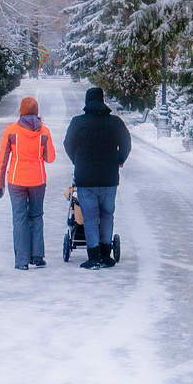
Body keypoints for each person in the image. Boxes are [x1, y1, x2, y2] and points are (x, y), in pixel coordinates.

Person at [63, 84, 131, 270]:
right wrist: (120, 159)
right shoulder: (115, 122)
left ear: (87, 102)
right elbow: (126, 143)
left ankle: (93, 257)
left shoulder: (78, 122)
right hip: (109, 179)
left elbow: (68, 144)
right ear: (103, 101)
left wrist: (77, 161)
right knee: (108, 215)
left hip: (86, 179)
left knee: (90, 217)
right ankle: (106, 255)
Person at [0, 95, 55, 270]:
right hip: (38, 180)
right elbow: (50, 158)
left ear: (21, 112)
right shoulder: (44, 131)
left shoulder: (11, 131)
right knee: (36, 216)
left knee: (19, 219)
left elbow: (2, 159)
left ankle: (21, 261)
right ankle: (37, 257)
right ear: (37, 112)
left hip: (16, 180)